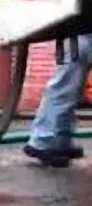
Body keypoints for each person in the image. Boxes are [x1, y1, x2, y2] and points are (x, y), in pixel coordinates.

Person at [23, 35, 92, 167]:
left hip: (82, 35)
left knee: (72, 93)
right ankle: (41, 142)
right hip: (78, 35)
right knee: (63, 89)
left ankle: (61, 141)